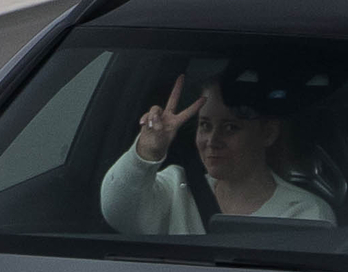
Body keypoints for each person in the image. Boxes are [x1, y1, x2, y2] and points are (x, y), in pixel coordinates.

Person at [101, 67, 336, 235]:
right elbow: (117, 209)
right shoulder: (175, 187)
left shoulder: (305, 214)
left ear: (267, 133)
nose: (213, 140)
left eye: (230, 128)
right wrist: (147, 152)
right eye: (205, 125)